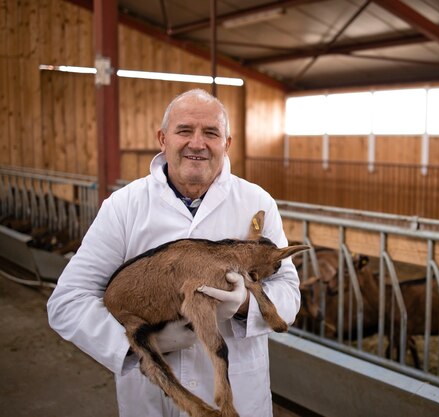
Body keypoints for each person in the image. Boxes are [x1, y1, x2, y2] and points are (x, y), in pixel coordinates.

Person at [47, 89, 301, 417]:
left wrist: (243, 305)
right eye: (184, 130)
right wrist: (135, 344)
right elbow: (68, 300)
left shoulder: (257, 202)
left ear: (227, 143)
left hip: (240, 395)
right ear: (162, 138)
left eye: (211, 132)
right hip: (152, 402)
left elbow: (289, 294)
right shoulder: (124, 206)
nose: (197, 143)